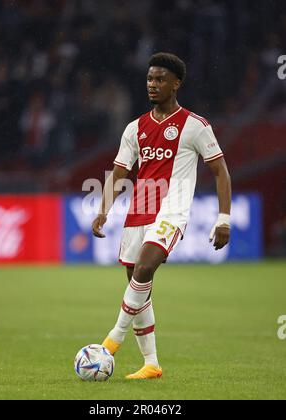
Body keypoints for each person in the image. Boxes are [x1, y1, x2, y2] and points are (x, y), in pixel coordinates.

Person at [92, 52, 232, 379]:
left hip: (172, 209)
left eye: (160, 79)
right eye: (149, 79)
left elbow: (220, 171)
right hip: (139, 210)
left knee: (144, 268)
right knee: (140, 287)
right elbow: (119, 172)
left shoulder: (195, 126)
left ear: (176, 83)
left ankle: (114, 338)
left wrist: (223, 218)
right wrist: (103, 210)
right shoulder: (135, 128)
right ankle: (151, 364)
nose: (153, 85)